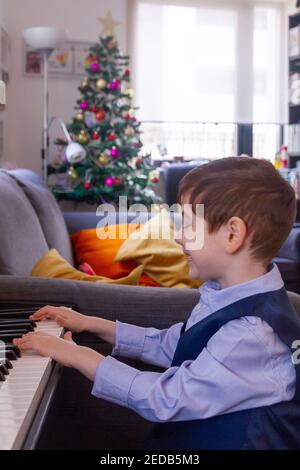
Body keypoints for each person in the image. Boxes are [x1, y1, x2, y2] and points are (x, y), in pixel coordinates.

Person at [13, 157, 300, 449]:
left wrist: (77, 355)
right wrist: (92, 324)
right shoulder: (229, 294)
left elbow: (165, 398)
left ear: (232, 235)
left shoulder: (250, 332)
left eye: (189, 224)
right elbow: (174, 344)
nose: (179, 236)